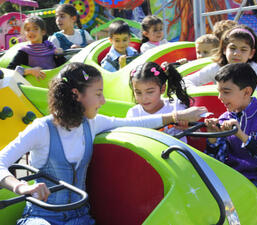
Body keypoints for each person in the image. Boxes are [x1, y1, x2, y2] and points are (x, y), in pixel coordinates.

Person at [0, 62, 207, 225]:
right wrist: (20, 186)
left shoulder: (92, 123)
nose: (103, 101)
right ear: (76, 95)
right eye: (98, 94)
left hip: (79, 217)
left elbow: (134, 122)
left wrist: (177, 115)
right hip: (42, 217)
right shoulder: (42, 128)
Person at [204, 63, 257, 193]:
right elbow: (217, 161)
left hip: (256, 178)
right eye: (219, 92)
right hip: (231, 176)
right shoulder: (225, 118)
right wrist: (214, 137)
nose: (220, 97)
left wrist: (241, 135)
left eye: (226, 92)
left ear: (246, 92)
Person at [183, 25, 257, 92]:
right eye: (232, 48)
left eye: (243, 50)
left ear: (251, 53)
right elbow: (186, 81)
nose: (237, 53)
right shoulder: (217, 68)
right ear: (224, 49)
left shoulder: (253, 69)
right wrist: (202, 92)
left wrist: (253, 93)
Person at [127, 62, 192, 143]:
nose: (144, 98)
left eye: (150, 92)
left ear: (162, 88)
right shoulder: (133, 114)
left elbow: (198, 140)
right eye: (138, 92)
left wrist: (187, 129)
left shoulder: (176, 107)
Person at [7, 16, 66, 81]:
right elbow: (10, 70)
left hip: (52, 83)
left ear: (43, 32)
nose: (31, 32)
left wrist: (60, 55)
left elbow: (61, 67)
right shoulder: (24, 51)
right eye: (28, 30)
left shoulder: (49, 47)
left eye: (35, 29)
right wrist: (29, 71)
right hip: (34, 87)